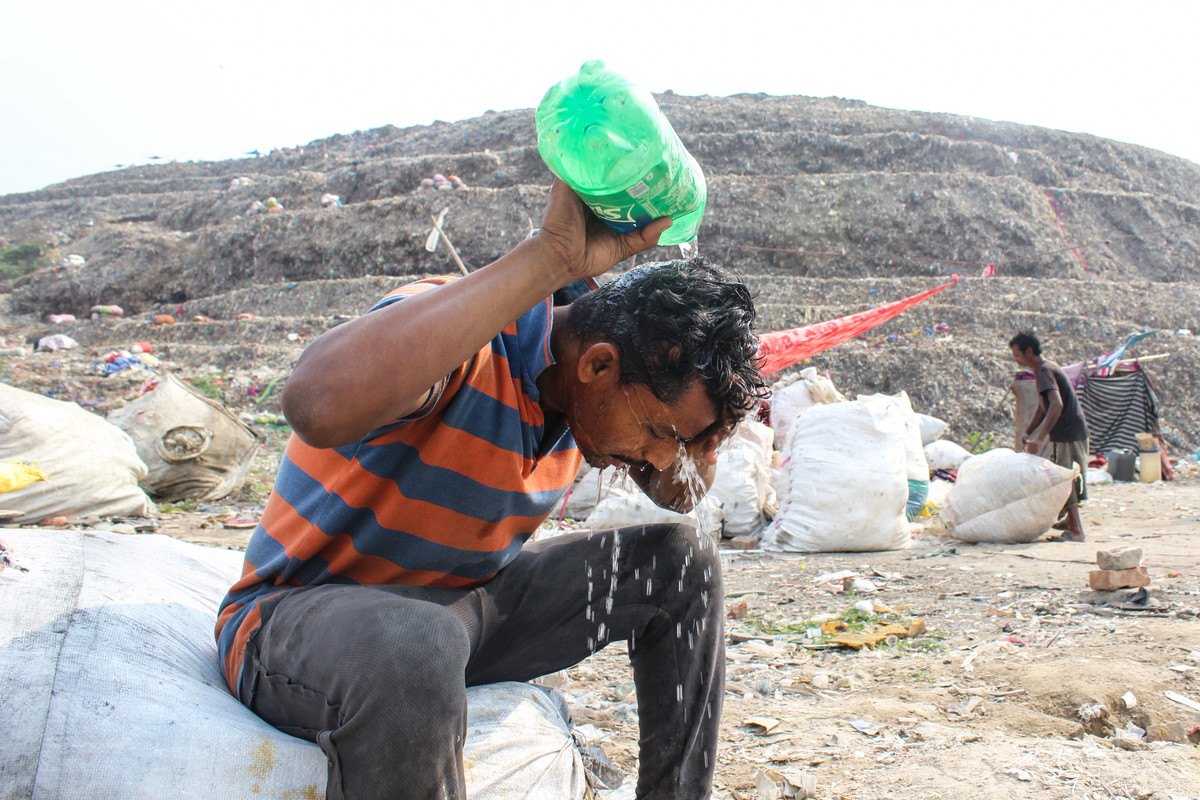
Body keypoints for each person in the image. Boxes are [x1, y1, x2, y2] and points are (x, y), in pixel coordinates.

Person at [215, 178, 769, 800]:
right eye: (658, 432)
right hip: (306, 623)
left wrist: (704, 436)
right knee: (415, 644)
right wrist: (547, 256)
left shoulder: (596, 393)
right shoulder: (464, 338)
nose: (663, 457)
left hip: (463, 611)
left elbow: (679, 497)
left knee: (683, 562)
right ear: (597, 366)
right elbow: (312, 404)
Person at [1009, 330, 1090, 541]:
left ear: (1028, 351)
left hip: (1068, 433)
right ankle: (1070, 522)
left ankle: (1077, 531)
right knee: (1065, 476)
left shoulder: (1045, 370)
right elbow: (1044, 408)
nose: (1016, 359)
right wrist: (1030, 430)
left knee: (1065, 478)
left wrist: (1039, 437)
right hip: (1069, 431)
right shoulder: (1045, 369)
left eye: (1017, 354)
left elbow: (1057, 405)